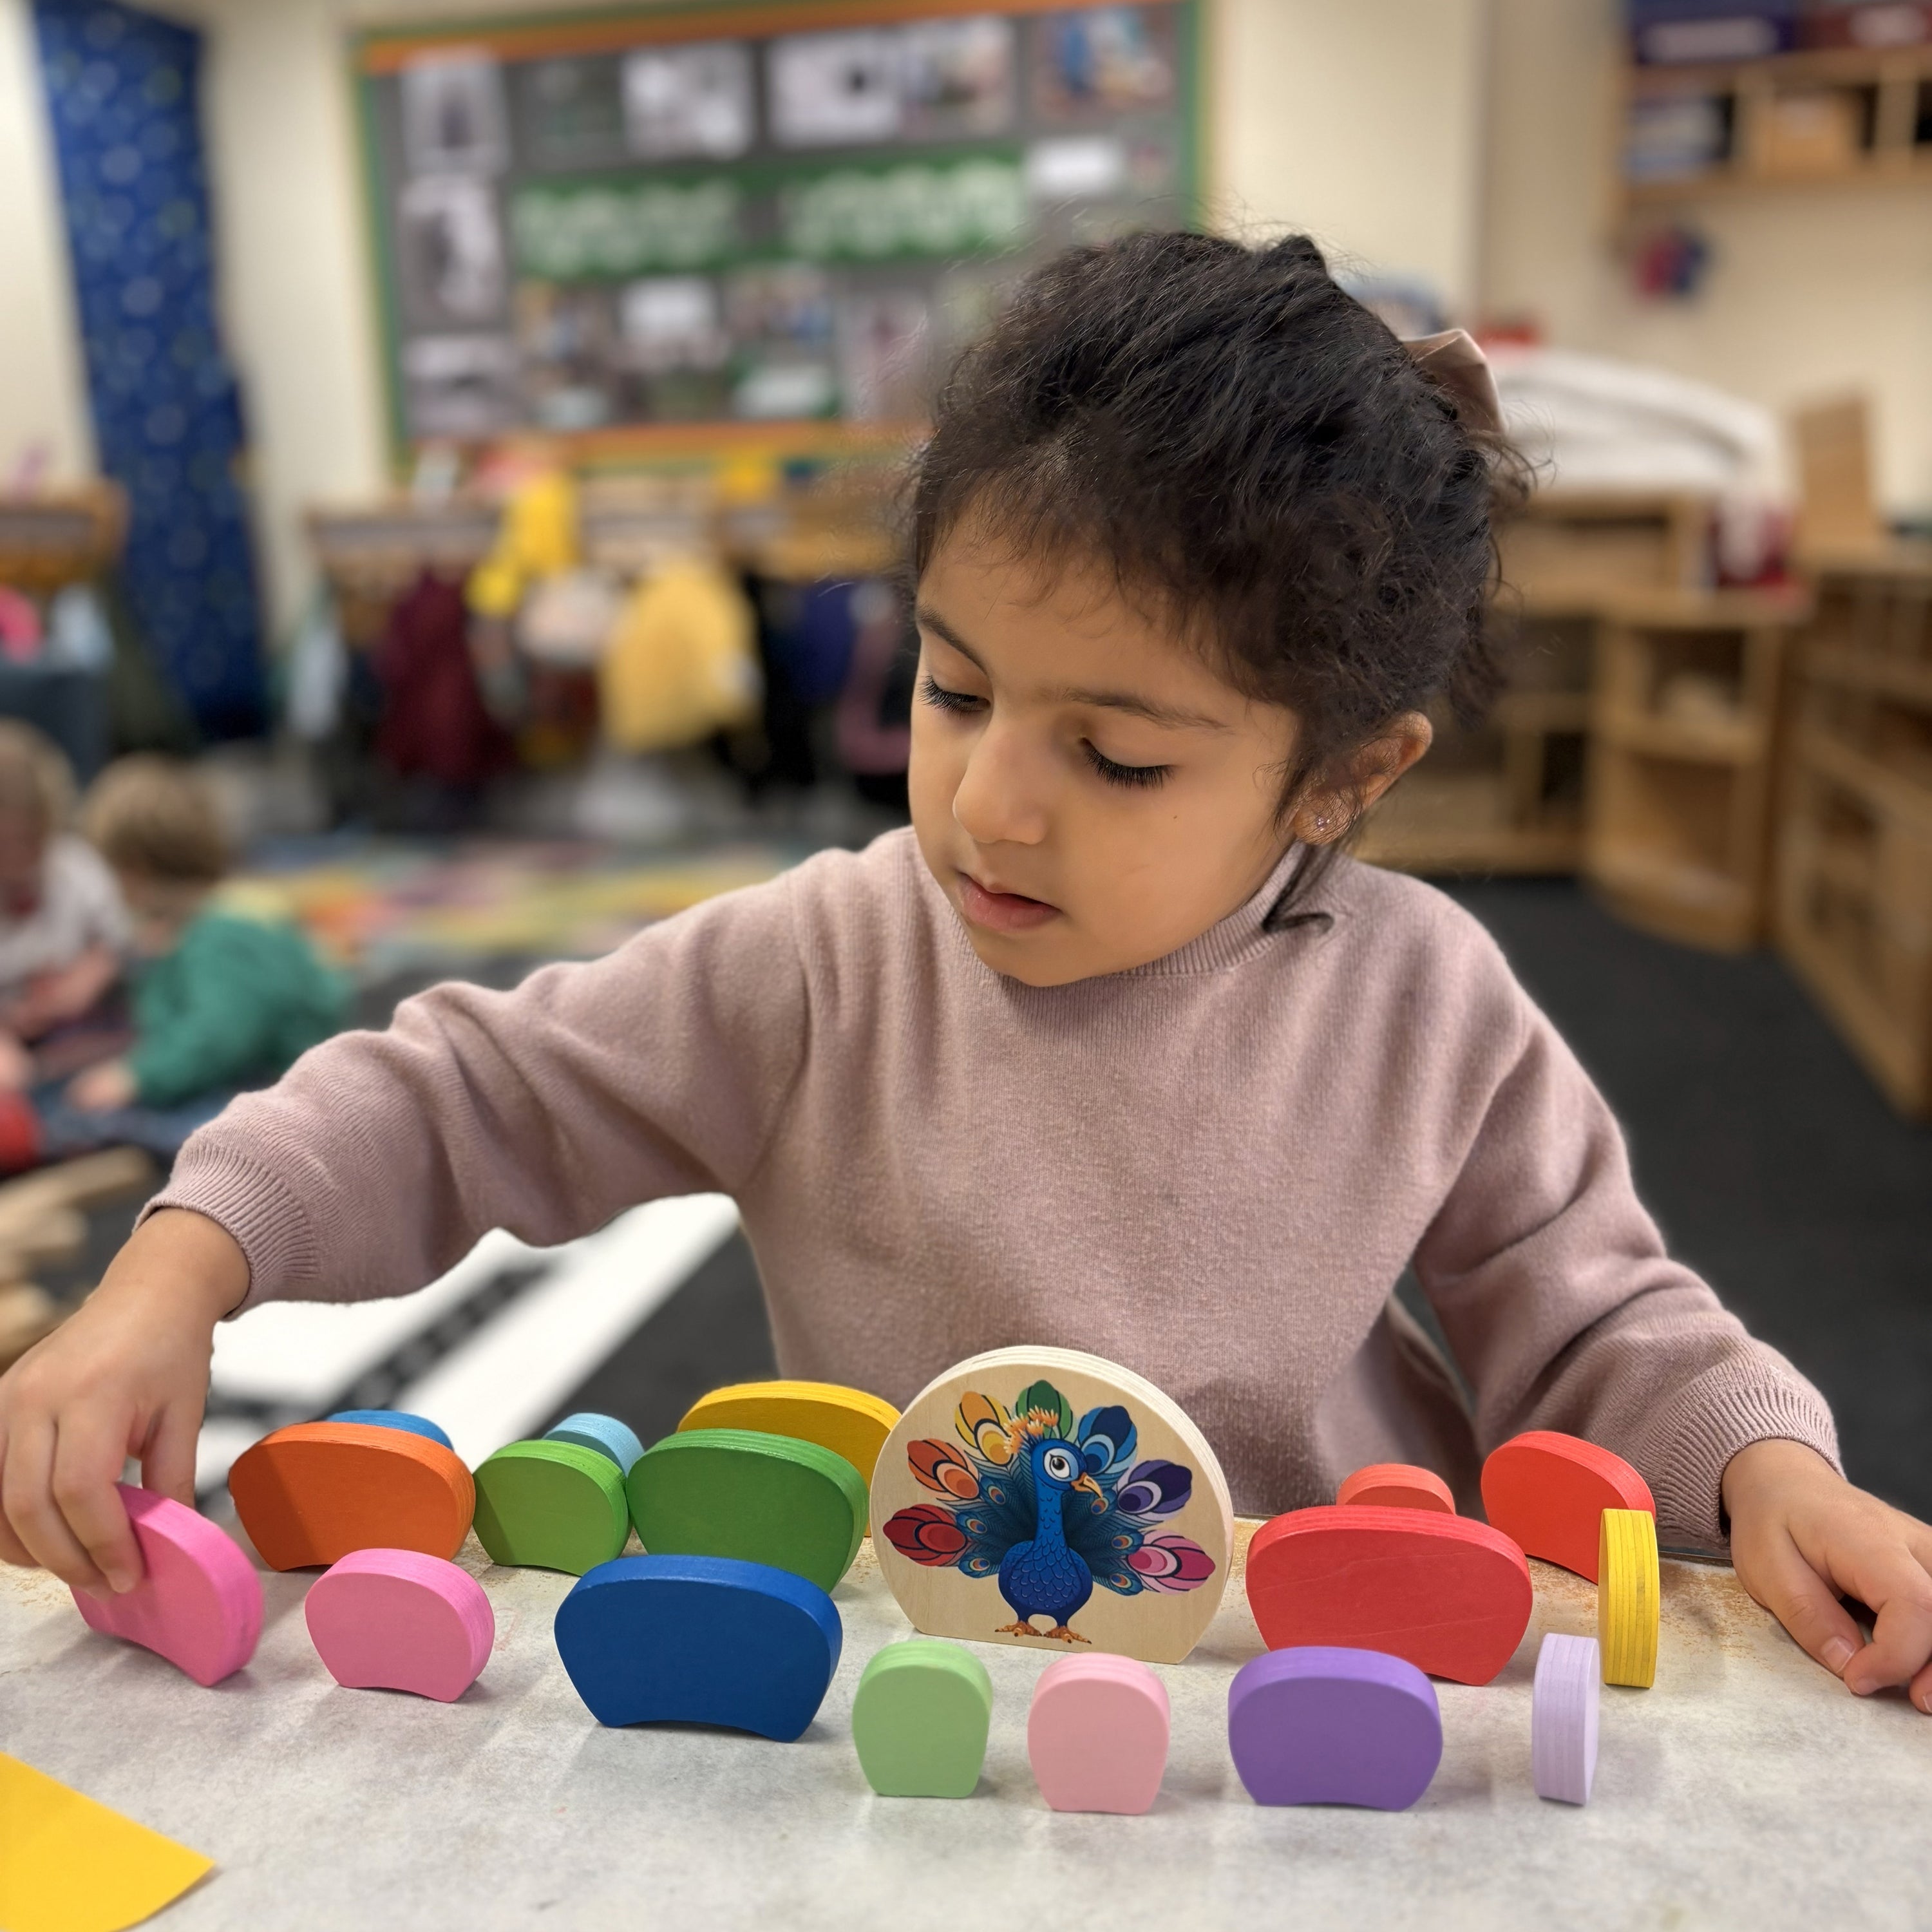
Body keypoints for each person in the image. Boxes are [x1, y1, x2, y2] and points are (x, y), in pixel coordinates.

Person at [3, 234, 1927, 1714]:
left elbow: (1591, 1325)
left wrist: (1762, 1467)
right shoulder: (827, 957)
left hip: (1335, 1681)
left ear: (1344, 776)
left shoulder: (1419, 999)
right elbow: (460, 1091)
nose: (988, 805)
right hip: (922, 1688)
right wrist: (182, 1266)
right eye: (953, 686)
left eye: (1117, 754)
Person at [32, 756, 348, 1159]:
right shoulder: (200, 920)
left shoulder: (223, 933)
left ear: (135, 871)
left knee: (101, 1121)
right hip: (245, 1073)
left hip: (275, 1088)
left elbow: (217, 1037)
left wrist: (136, 1078)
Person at [0, 721, 128, 1095]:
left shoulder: (73, 866)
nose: (18, 857)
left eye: (29, 839)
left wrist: (89, 976)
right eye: (3, 844)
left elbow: (119, 939)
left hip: (80, 1028)